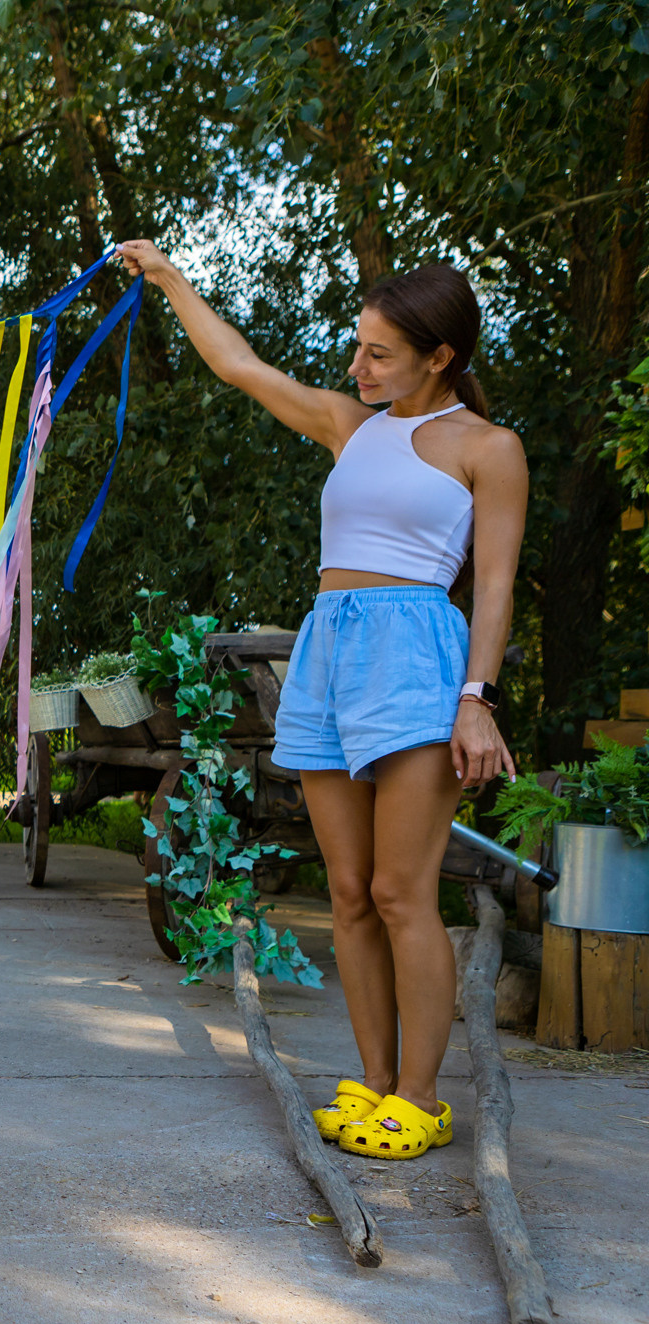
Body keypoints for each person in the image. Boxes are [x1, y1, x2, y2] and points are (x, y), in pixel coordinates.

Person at [120, 240, 526, 1162]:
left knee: (400, 890)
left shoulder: (490, 450)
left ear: (441, 357)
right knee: (345, 890)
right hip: (331, 655)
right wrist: (172, 279)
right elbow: (240, 364)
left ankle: (422, 1096)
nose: (357, 366)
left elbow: (494, 586)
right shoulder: (352, 423)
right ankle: (377, 1081)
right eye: (358, 348)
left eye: (378, 353)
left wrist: (478, 697)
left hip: (419, 661)